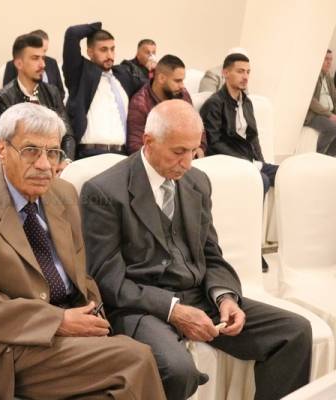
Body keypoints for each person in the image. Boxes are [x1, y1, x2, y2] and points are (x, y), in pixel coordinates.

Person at [81, 99, 312, 400]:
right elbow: (107, 280)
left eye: (193, 151)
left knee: (294, 332)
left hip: (199, 296)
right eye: (179, 152)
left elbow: (211, 254)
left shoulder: (197, 182)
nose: (188, 162)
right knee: (178, 370)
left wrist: (225, 297)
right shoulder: (103, 191)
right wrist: (173, 310)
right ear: (148, 142)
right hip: (142, 307)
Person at [0, 103, 166, 400]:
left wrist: (91, 312)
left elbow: (81, 276)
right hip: (8, 343)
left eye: (53, 152)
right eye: (31, 151)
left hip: (68, 333)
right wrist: (59, 321)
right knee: (136, 358)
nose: (45, 165)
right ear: (2, 149)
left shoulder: (63, 193)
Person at [199, 53, 278, 194]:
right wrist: (245, 162)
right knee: (263, 180)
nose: (245, 77)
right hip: (229, 162)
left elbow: (253, 136)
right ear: (225, 73)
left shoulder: (247, 102)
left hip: (249, 161)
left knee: (283, 174)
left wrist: (261, 162)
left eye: (248, 72)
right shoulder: (214, 104)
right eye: (240, 71)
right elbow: (214, 143)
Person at [0, 33, 75, 163]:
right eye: (35, 58)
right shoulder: (4, 98)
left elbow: (67, 135)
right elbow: (8, 143)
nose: (42, 64)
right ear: (19, 63)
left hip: (54, 163)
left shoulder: (52, 92)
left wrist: (64, 161)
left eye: (43, 58)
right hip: (24, 164)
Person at [63, 22, 136, 158]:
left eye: (112, 49)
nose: (110, 55)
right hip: (90, 154)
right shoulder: (80, 74)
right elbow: (72, 34)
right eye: (103, 50)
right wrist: (97, 26)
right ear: (90, 52)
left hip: (121, 155)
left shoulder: (123, 75)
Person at [127, 54, 206, 155]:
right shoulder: (140, 103)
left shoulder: (182, 94)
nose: (182, 86)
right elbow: (135, 145)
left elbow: (197, 125)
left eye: (182, 80)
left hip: (188, 155)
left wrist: (200, 147)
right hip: (159, 160)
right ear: (161, 78)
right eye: (177, 81)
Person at [2, 29, 65, 99]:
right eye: (35, 57)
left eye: (44, 51)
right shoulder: (12, 66)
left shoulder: (52, 63)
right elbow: (8, 93)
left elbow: (60, 92)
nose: (43, 65)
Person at [304, 49, 336, 155]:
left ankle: (328, 157)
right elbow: (311, 100)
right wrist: (329, 115)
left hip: (328, 114)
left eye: (331, 59)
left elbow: (334, 97)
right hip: (314, 115)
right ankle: (318, 154)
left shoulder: (328, 77)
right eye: (326, 59)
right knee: (333, 128)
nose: (329, 62)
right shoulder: (313, 76)